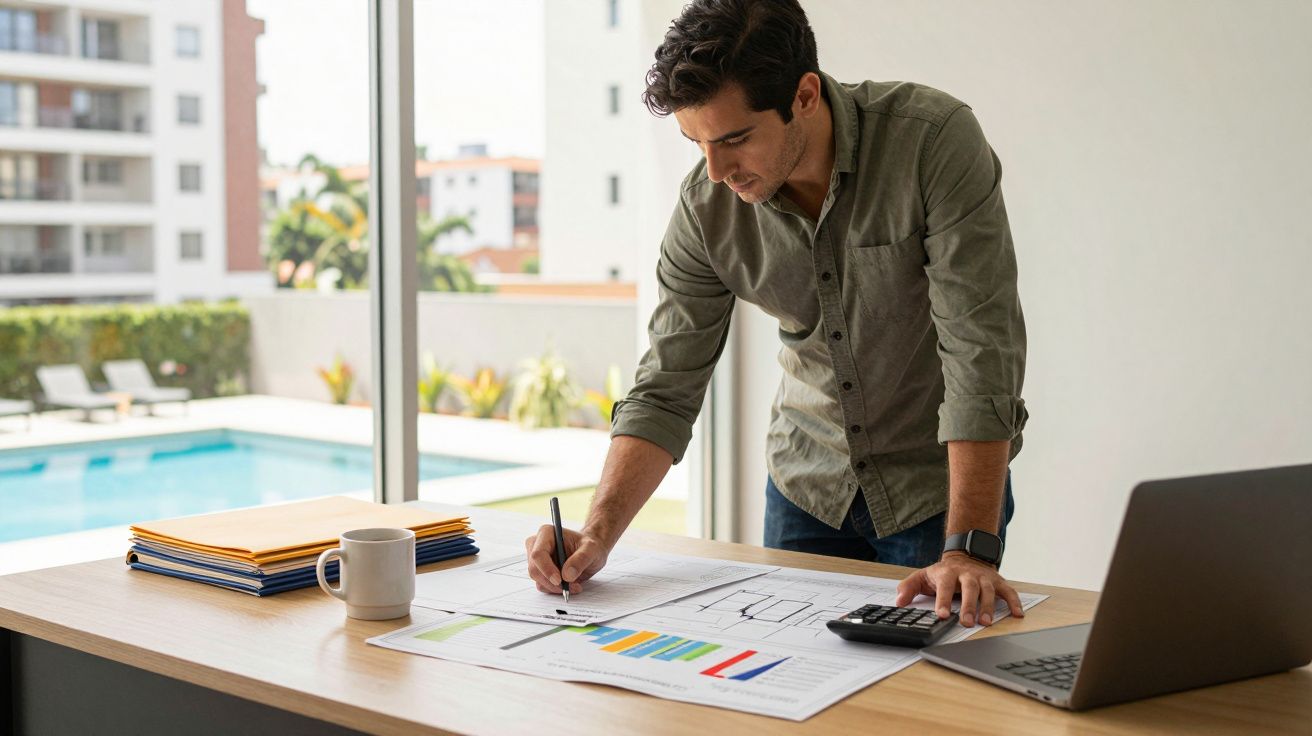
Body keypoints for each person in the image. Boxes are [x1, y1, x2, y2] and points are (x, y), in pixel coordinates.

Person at [526, 0, 1028, 628]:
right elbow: (665, 386)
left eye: (735, 139)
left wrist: (969, 549)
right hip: (804, 489)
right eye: (697, 143)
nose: (716, 171)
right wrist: (596, 534)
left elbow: (981, 351)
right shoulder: (705, 207)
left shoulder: (931, 142)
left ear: (806, 94)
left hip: (938, 494)